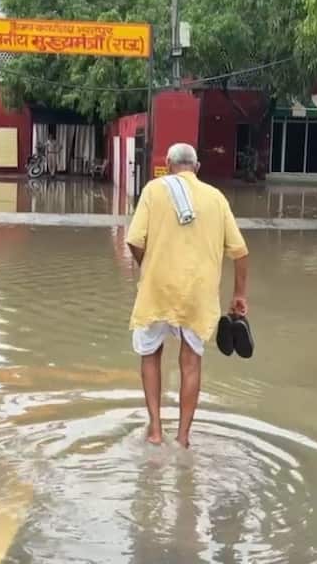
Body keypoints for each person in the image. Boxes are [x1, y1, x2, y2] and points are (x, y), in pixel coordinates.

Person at [125, 143, 249, 448]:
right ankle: (182, 438)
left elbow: (133, 240)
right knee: (190, 362)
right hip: (198, 293)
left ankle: (155, 430)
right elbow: (240, 252)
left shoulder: (154, 191)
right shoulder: (216, 198)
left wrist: (148, 267)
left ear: (168, 164)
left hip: (157, 290)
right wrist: (239, 294)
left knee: (150, 354)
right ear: (197, 167)